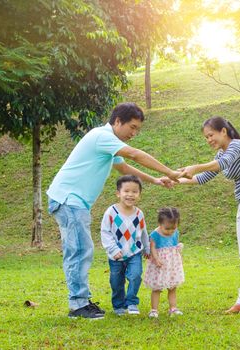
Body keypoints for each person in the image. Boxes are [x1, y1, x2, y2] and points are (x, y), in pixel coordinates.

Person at [47, 102, 181, 319]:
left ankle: (81, 301)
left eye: (138, 129)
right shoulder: (102, 136)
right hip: (68, 199)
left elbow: (124, 168)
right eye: (133, 127)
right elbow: (135, 155)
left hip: (72, 200)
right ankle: (78, 305)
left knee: (81, 249)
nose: (134, 133)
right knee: (80, 250)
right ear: (118, 121)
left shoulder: (108, 142)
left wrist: (156, 180)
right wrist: (171, 172)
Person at [177, 116, 240, 313]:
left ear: (223, 131)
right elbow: (202, 177)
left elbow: (220, 165)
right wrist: (173, 179)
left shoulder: (237, 146)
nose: (209, 139)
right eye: (206, 137)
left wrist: (195, 166)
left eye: (211, 135)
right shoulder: (221, 154)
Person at [101, 175, 149, 316]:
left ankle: (132, 302)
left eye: (134, 192)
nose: (130, 195)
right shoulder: (111, 212)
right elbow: (105, 232)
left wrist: (146, 248)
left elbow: (144, 232)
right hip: (116, 255)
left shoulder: (139, 214)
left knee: (135, 275)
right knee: (116, 281)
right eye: (126, 191)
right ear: (118, 193)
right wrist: (113, 249)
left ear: (139, 194)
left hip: (134, 252)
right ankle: (119, 305)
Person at [143, 207, 185, 318]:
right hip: (159, 264)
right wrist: (156, 259)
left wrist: (179, 259)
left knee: (172, 287)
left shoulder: (175, 232)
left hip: (172, 264)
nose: (170, 231)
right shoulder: (155, 234)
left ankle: (173, 308)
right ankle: (154, 310)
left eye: (173, 228)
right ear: (160, 224)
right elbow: (152, 248)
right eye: (167, 229)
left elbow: (175, 246)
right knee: (157, 288)